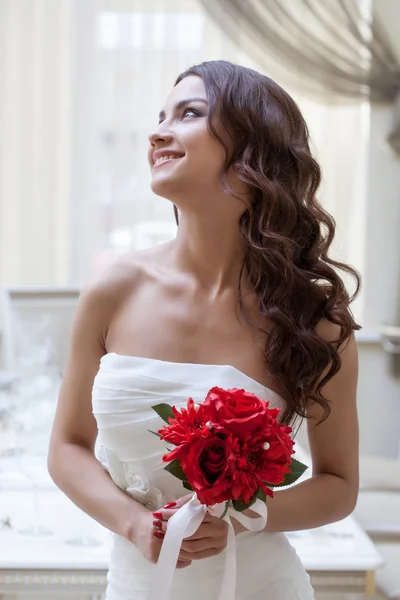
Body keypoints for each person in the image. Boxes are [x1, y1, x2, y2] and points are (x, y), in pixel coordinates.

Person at [48, 60, 360, 600]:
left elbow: (339, 486)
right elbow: (68, 446)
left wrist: (245, 517)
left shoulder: (314, 319)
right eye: (160, 116)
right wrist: (132, 523)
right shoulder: (114, 288)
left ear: (253, 149)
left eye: (189, 113)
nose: (158, 131)